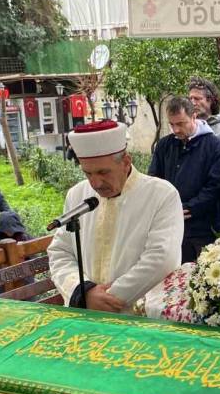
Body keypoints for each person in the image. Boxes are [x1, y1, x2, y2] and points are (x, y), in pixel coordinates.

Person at [48, 120, 183, 313]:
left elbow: (161, 260)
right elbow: (61, 252)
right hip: (85, 313)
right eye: (88, 173)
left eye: (103, 172)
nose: (95, 183)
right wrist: (83, 293)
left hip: (141, 317)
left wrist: (106, 300)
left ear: (126, 162)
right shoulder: (77, 195)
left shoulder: (162, 195)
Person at [148, 97, 220, 263]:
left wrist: (190, 208)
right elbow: (154, 181)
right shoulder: (164, 145)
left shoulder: (213, 145)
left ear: (194, 117)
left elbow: (215, 186)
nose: (176, 129)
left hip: (202, 229)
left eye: (181, 123)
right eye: (172, 124)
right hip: (169, 226)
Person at [187, 77, 220, 148]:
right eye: (190, 99)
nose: (193, 103)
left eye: (197, 99)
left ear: (210, 100)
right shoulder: (186, 127)